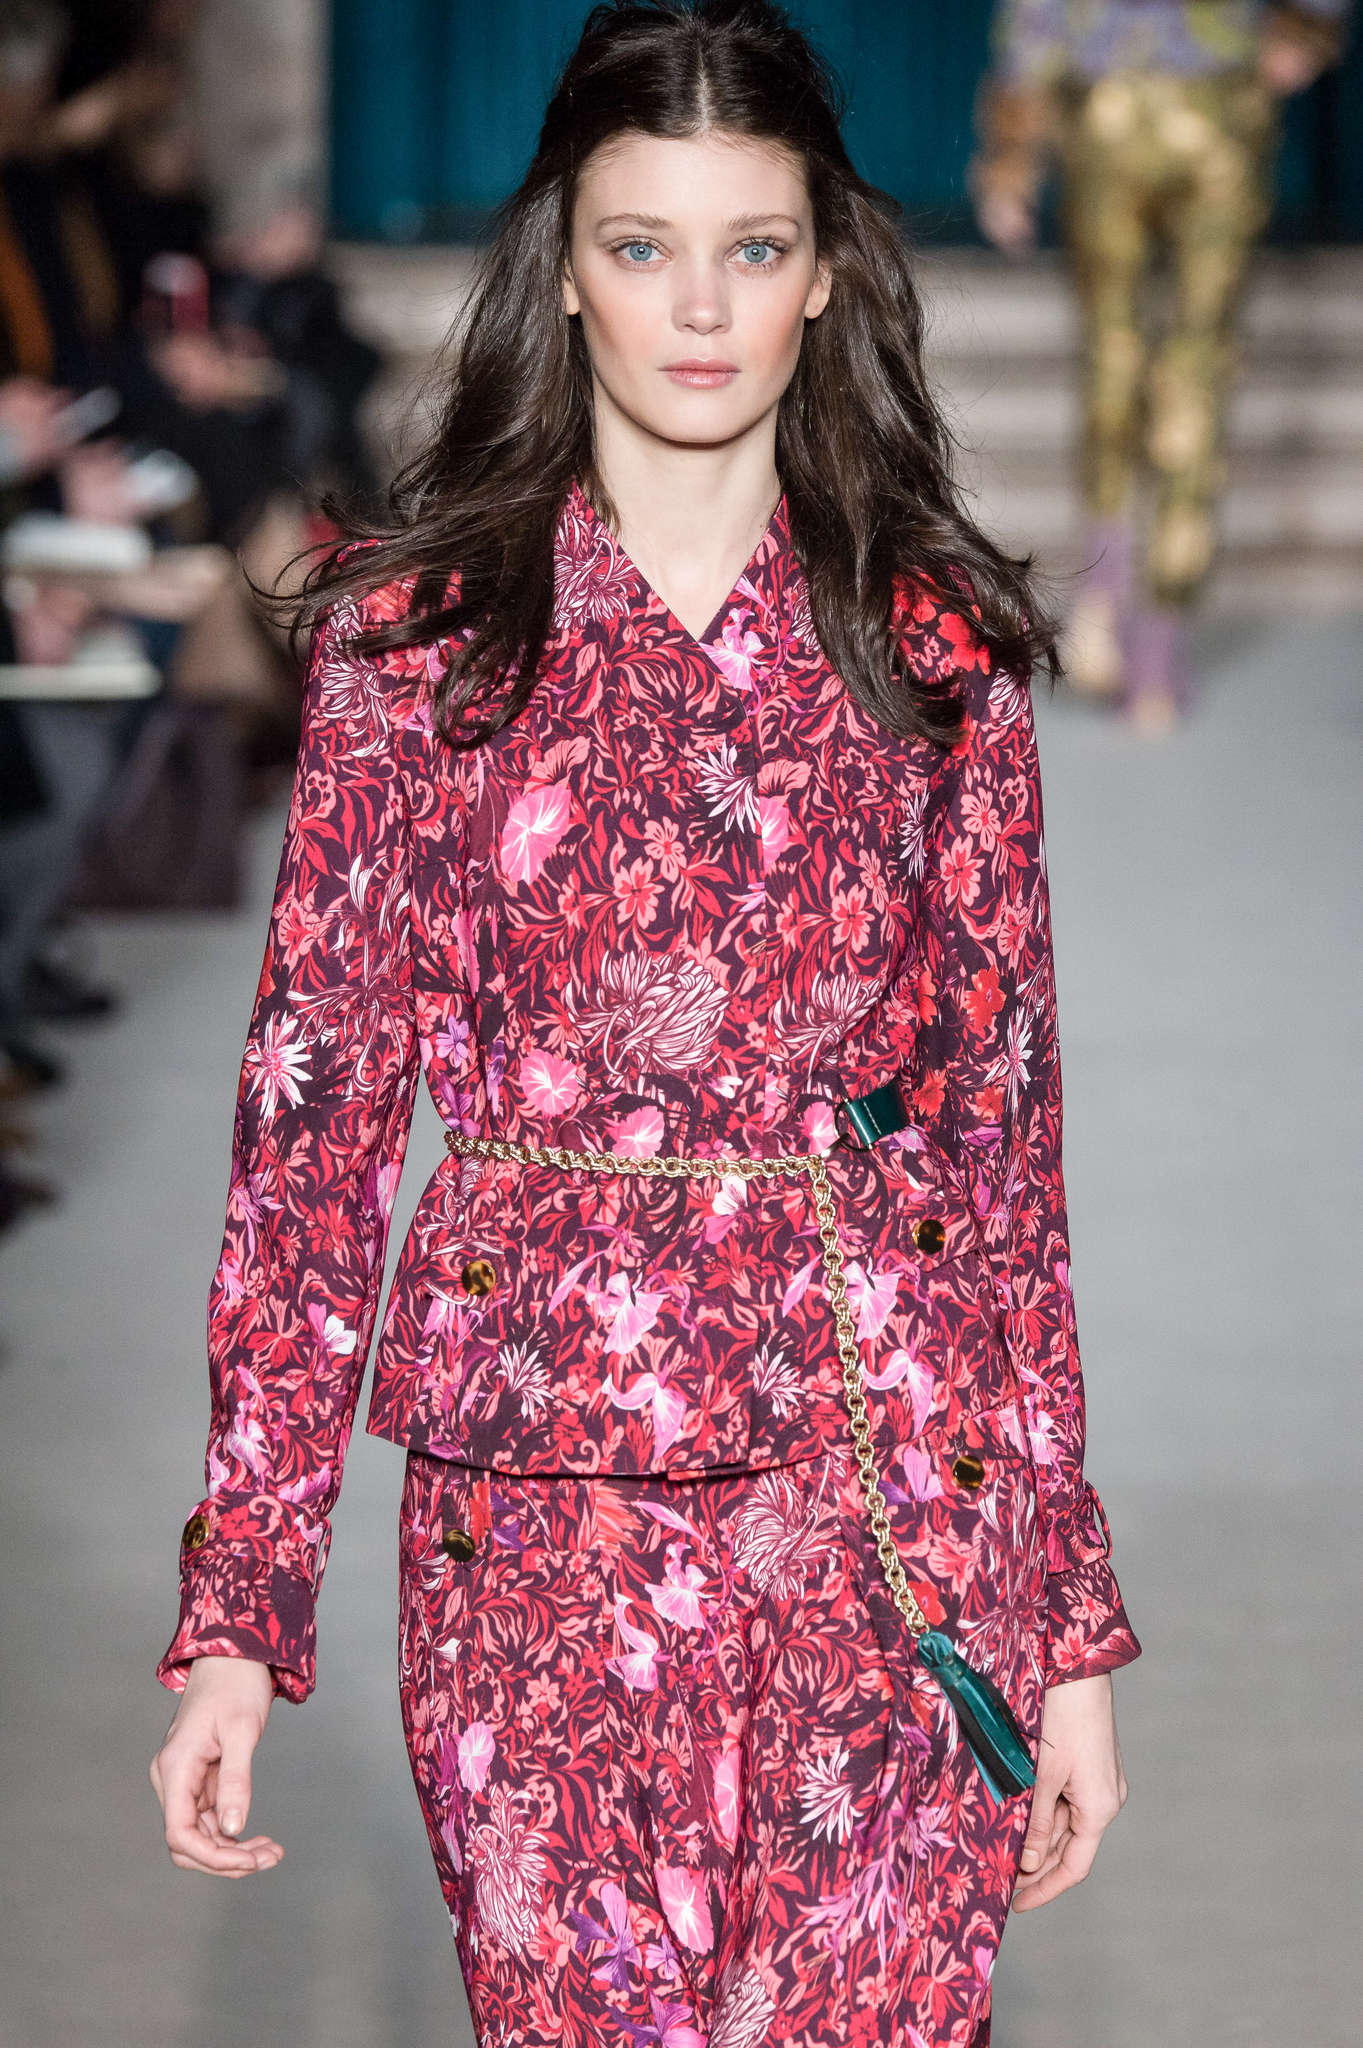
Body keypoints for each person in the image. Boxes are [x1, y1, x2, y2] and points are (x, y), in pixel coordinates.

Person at [149, 4, 1142, 2043]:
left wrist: (1065, 1624)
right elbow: (312, 1141)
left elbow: (998, 1156)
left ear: (826, 272)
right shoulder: (414, 647)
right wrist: (242, 1602)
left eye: (752, 247)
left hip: (885, 1485)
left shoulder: (931, 649)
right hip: (536, 1511)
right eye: (640, 245)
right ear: (562, 266)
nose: (699, 308)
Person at [968, 0, 1353, 733]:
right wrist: (1305, 29)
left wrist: (1012, 152)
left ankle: (1107, 605)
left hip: (1113, 97)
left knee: (1115, 358)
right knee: (1195, 368)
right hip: (1213, 96)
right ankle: (1153, 645)